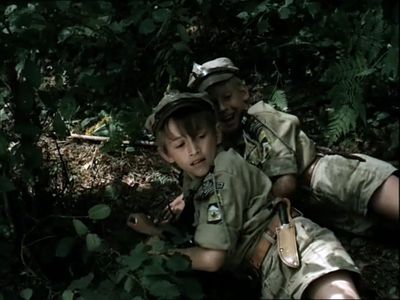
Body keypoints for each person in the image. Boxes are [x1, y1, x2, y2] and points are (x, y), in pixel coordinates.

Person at [128, 91, 361, 299]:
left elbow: (212, 259)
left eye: (200, 136)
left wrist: (161, 254)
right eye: (180, 144)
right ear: (166, 154)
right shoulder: (198, 180)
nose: (193, 150)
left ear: (217, 134)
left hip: (300, 253)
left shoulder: (222, 175)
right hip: (272, 269)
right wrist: (154, 230)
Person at [186, 57, 399, 235]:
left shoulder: (261, 118)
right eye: (213, 104)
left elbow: (286, 183)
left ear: (244, 93)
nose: (223, 108)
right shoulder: (220, 144)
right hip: (319, 206)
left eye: (227, 97)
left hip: (333, 177)